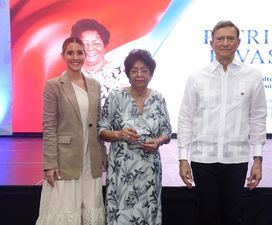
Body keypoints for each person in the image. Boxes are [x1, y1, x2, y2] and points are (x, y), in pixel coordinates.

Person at [177, 21, 267, 225]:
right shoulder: (196, 77)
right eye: (220, 38)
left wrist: (258, 159)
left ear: (238, 43)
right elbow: (186, 118)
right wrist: (183, 158)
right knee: (206, 216)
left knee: (233, 216)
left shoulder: (252, 76)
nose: (225, 43)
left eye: (230, 38)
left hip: (236, 159)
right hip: (203, 159)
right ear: (212, 43)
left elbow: (258, 118)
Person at [35, 37, 106, 225]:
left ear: (85, 54)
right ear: (63, 55)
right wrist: (49, 162)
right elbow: (49, 126)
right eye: (70, 53)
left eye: (79, 52)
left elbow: (98, 124)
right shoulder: (54, 85)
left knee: (90, 209)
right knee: (64, 210)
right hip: (65, 159)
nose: (76, 57)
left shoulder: (95, 85)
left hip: (90, 158)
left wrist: (103, 155)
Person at [99, 49, 172, 225]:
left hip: (149, 170)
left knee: (148, 214)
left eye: (144, 70)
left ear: (151, 73)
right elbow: (102, 129)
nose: (139, 75)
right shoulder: (116, 97)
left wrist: (159, 141)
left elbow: (167, 132)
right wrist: (119, 134)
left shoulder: (158, 98)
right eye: (134, 70)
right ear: (128, 74)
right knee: (120, 214)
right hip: (121, 170)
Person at [71, 18, 127, 104]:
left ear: (104, 45)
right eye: (85, 43)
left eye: (96, 43)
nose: (90, 48)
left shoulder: (122, 70)